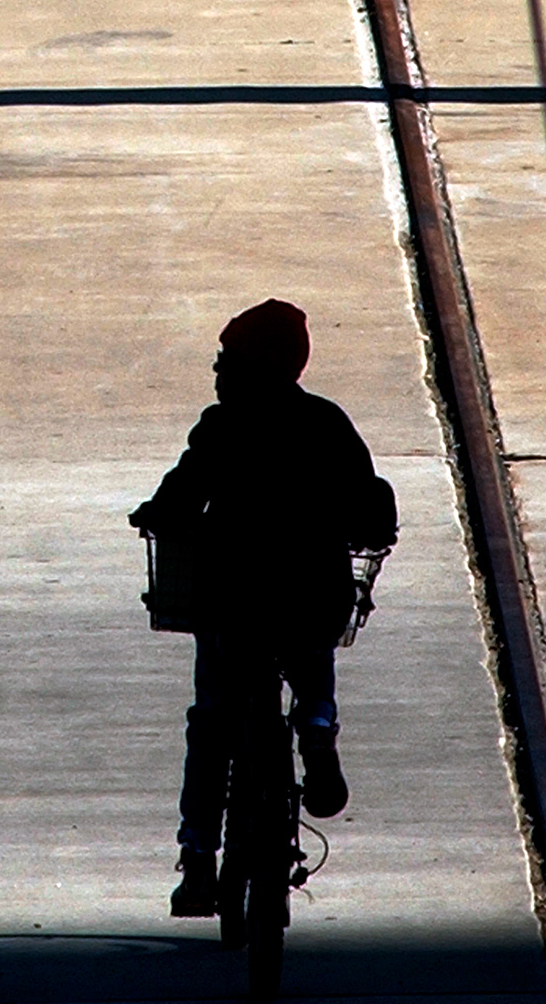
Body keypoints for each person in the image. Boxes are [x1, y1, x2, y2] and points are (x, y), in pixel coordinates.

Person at [130, 299, 397, 917]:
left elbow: (179, 497)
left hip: (233, 603)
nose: (218, 374)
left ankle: (198, 859)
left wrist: (155, 517)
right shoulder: (328, 423)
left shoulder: (222, 429)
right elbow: (369, 504)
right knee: (313, 652)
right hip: (313, 594)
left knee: (212, 723)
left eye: (226, 361)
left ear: (251, 367)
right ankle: (318, 733)